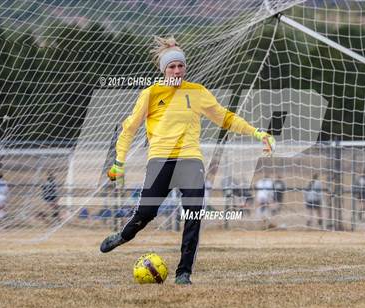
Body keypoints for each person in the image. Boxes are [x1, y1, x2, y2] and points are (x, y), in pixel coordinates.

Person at [99, 36, 276, 285]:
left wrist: (257, 132)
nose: (177, 70)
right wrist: (119, 162)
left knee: (193, 215)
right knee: (147, 213)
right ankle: (124, 235)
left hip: (191, 161)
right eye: (172, 66)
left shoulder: (197, 92)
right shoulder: (151, 94)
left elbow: (225, 118)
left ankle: (184, 272)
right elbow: (128, 128)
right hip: (160, 160)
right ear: (163, 69)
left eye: (180, 65)